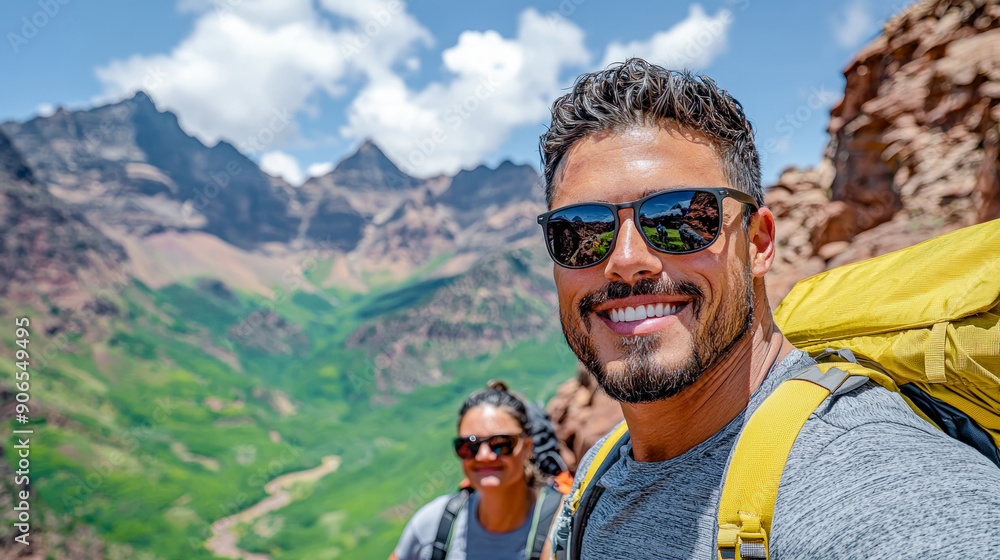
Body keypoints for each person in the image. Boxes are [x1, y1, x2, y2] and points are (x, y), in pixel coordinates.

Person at [535, 58, 1000, 559]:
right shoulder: (601, 471)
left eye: (679, 219)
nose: (627, 262)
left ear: (758, 243)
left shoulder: (879, 489)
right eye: (581, 231)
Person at [391, 381, 564, 560]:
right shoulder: (432, 524)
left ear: (528, 447)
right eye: (469, 446)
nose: (484, 456)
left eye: (500, 444)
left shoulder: (563, 526)